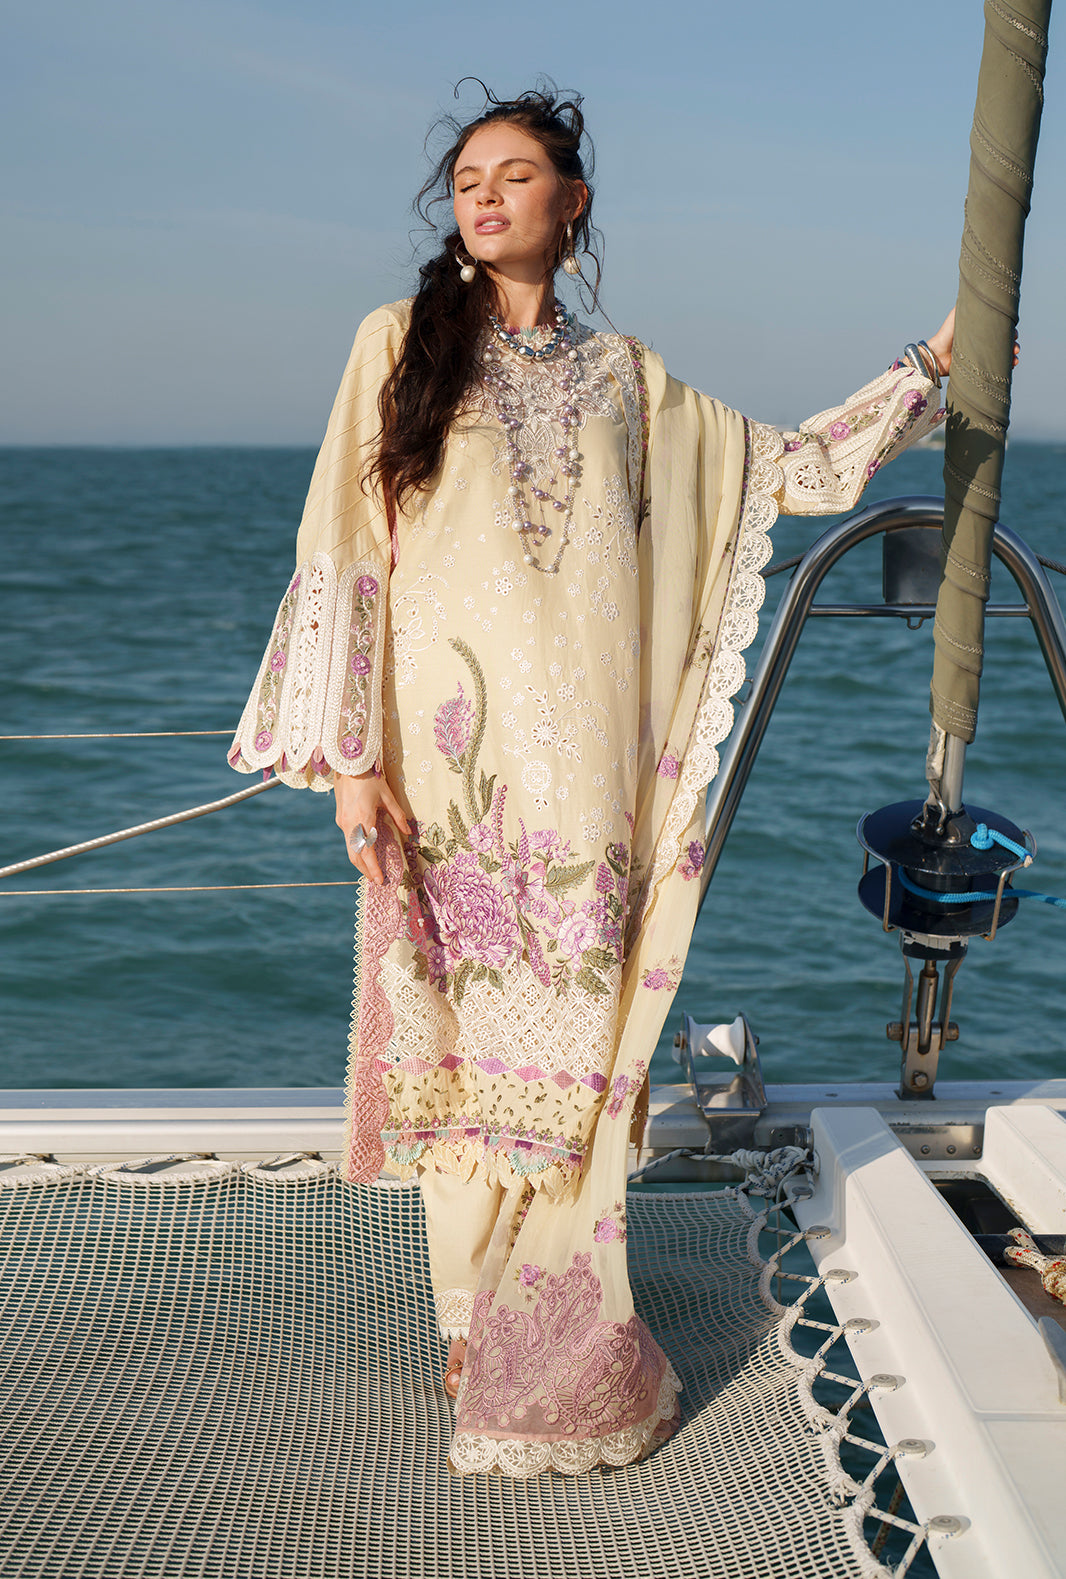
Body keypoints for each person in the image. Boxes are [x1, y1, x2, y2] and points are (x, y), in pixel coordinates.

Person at [229, 85, 952, 1478]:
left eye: (515, 175)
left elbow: (789, 472)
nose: (484, 195)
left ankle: (542, 1318)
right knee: (458, 1047)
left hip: (585, 779)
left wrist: (930, 367)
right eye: (466, 178)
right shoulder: (396, 344)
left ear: (572, 205)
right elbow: (344, 545)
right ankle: (471, 1323)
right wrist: (352, 761)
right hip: (446, 768)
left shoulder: (630, 380)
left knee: (572, 1048)